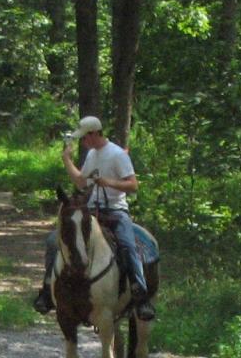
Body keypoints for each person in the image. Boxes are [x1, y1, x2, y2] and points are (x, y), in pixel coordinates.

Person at [32, 115, 155, 322]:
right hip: (91, 211)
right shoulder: (92, 155)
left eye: (84, 137)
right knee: (55, 240)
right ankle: (47, 290)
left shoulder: (117, 154)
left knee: (126, 245)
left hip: (115, 210)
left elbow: (133, 186)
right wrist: (67, 160)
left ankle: (140, 295)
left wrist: (109, 182)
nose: (83, 141)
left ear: (94, 133)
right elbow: (81, 183)